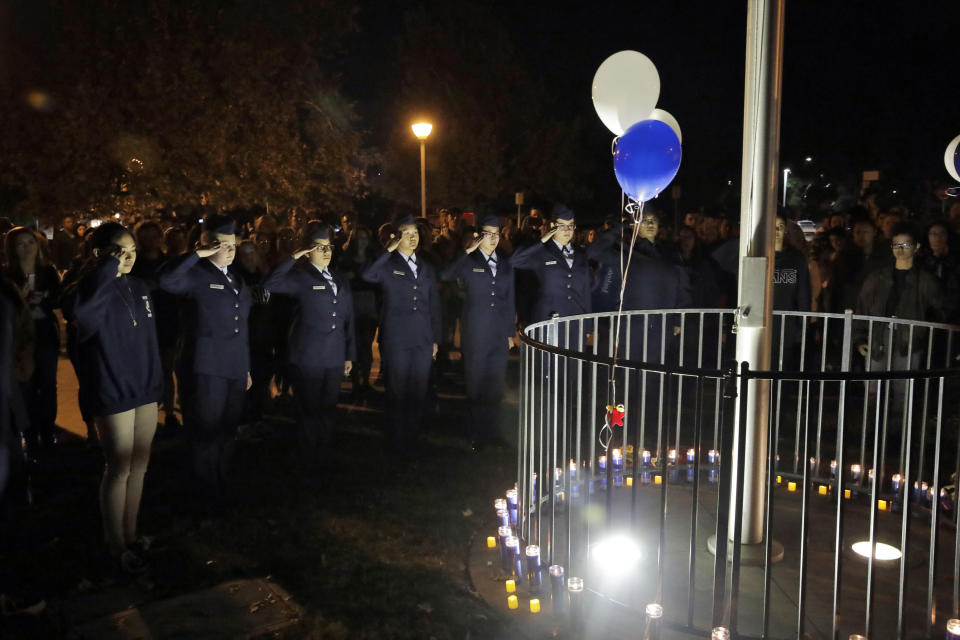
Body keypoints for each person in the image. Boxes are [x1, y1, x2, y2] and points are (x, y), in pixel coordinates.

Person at [67, 223, 162, 574]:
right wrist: (106, 268)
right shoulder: (85, 290)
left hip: (144, 389)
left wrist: (156, 384)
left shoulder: (139, 286)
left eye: (132, 250)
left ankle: (131, 535)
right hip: (112, 388)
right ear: (100, 255)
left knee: (140, 464)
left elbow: (149, 339)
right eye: (118, 251)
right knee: (119, 467)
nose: (128, 257)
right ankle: (114, 544)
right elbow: (86, 320)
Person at [157, 214, 252, 503]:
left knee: (227, 428)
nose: (231, 250)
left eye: (233, 244)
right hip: (205, 366)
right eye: (223, 245)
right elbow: (166, 279)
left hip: (234, 366)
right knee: (204, 430)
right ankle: (204, 489)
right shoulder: (196, 274)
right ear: (207, 245)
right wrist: (196, 254)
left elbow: (241, 328)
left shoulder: (237, 279)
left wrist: (245, 368)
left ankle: (221, 480)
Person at [264, 222, 354, 472]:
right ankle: (307, 457)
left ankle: (322, 453)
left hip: (334, 356)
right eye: (319, 247)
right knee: (309, 409)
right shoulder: (300, 277)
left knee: (327, 409)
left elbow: (349, 319)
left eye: (329, 247)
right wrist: (294, 256)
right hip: (309, 355)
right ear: (307, 251)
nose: (326, 252)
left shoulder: (339, 278)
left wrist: (349, 354)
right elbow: (270, 284)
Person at [362, 214, 441, 452]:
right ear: (398, 237)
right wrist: (388, 250)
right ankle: (397, 438)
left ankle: (413, 436)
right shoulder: (388, 265)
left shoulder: (425, 266)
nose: (413, 238)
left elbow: (433, 304)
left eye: (415, 233)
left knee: (418, 390)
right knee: (397, 389)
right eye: (407, 234)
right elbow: (368, 275)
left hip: (422, 338)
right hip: (397, 337)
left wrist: (436, 338)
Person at [854, 223, 944, 422]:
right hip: (879, 335)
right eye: (896, 245)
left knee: (903, 391)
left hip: (910, 338)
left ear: (916, 247)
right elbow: (862, 309)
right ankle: (871, 432)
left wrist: (925, 336)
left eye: (905, 244)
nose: (900, 250)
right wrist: (860, 338)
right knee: (872, 389)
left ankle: (898, 435)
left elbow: (941, 311)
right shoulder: (877, 278)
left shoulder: (925, 281)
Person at [440, 214, 515, 450]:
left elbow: (509, 299)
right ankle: (477, 433)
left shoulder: (505, 263)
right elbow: (445, 275)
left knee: (495, 384)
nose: (493, 239)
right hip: (476, 332)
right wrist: (466, 251)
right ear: (479, 236)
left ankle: (493, 432)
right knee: (475, 383)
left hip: (498, 334)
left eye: (496, 234)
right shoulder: (469, 262)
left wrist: (510, 332)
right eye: (488, 234)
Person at [3, 228, 61, 454]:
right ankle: (29, 436)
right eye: (20, 244)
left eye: (30, 242)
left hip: (45, 335)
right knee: (24, 387)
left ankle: (48, 432)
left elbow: (56, 299)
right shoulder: (6, 275)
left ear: (38, 246)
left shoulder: (48, 272)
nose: (26, 247)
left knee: (47, 386)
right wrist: (23, 298)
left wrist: (37, 300)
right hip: (19, 339)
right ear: (12, 248)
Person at [509, 205, 591, 323]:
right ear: (553, 226)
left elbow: (585, 290)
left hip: (575, 321)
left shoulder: (580, 253)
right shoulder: (541, 251)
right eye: (562, 226)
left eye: (570, 226)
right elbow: (514, 261)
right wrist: (542, 240)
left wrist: (588, 324)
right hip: (547, 320)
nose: (567, 230)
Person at [337, 226, 379, 399]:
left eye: (364, 237)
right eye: (358, 237)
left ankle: (366, 381)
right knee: (353, 343)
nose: (362, 241)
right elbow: (339, 280)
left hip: (368, 303)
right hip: (352, 303)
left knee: (366, 344)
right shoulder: (345, 260)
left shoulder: (372, 258)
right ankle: (355, 382)